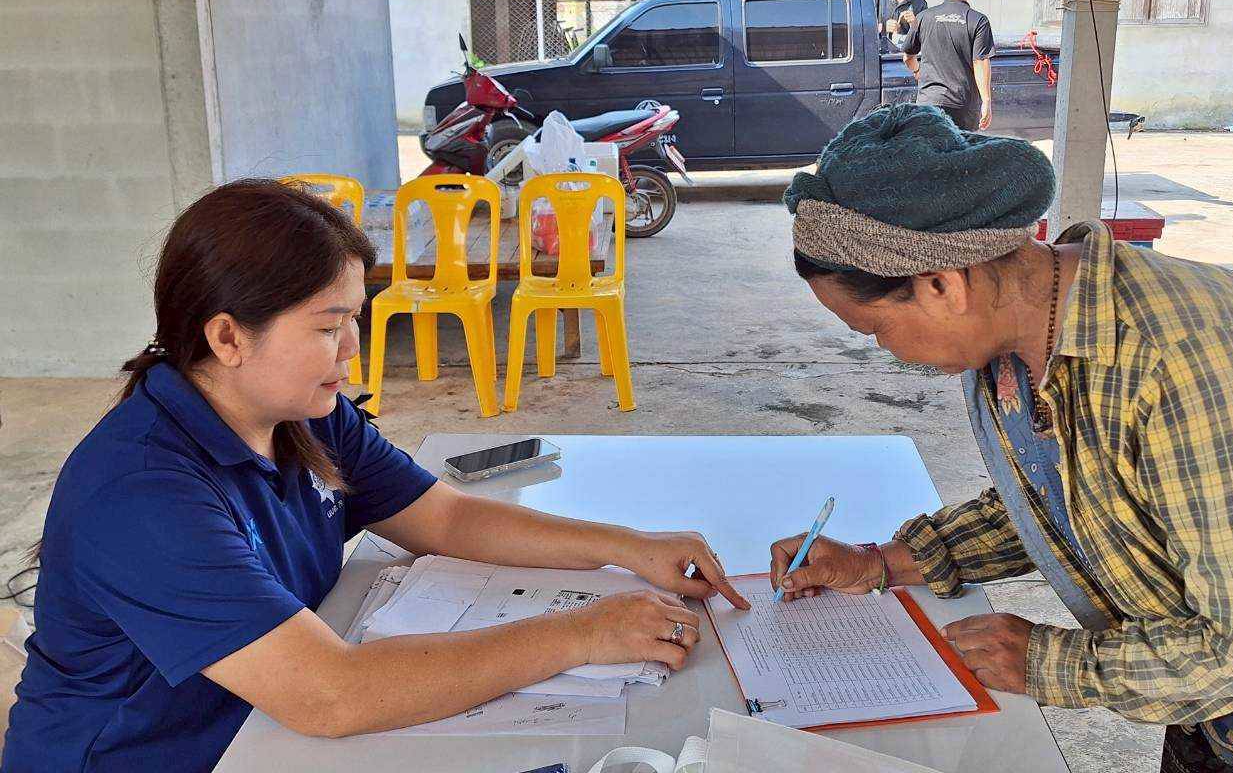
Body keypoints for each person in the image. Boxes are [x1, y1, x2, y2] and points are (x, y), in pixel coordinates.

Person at [1, 179, 749, 773]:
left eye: (355, 318)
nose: (351, 350)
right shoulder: (142, 494)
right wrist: (581, 634)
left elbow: (444, 517)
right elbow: (331, 694)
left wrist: (623, 544)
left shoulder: (301, 409)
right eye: (328, 327)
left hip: (266, 733)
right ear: (227, 336)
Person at [774, 104, 1233, 773]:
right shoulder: (1013, 342)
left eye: (875, 331)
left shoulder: (1190, 364)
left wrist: (1046, 661)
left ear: (940, 284)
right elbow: (1072, 502)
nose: (889, 353)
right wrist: (886, 562)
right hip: (1205, 711)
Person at [903, 0, 995, 132]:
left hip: (927, 104)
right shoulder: (978, 20)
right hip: (962, 107)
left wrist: (917, 71)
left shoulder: (924, 17)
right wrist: (986, 101)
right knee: (959, 154)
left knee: (928, 154)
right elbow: (980, 62)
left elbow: (908, 56)